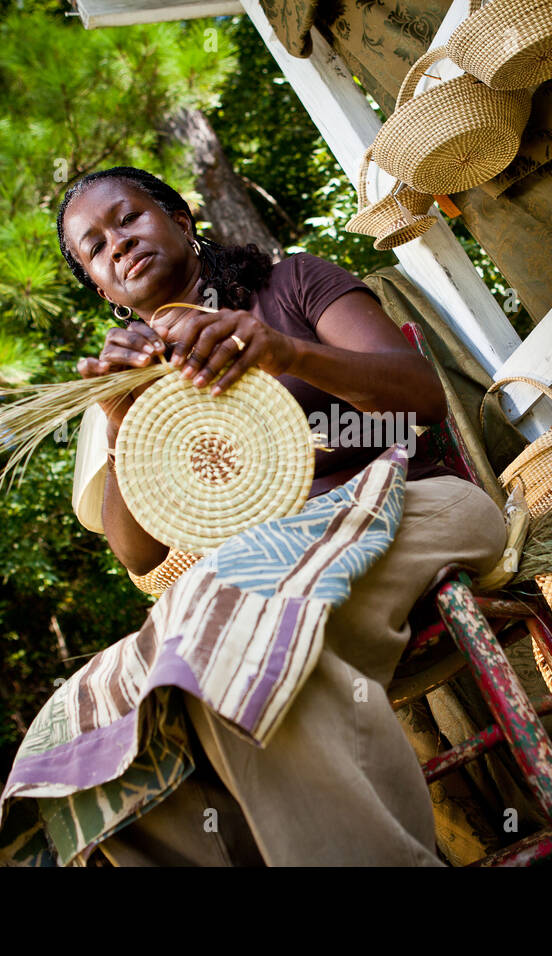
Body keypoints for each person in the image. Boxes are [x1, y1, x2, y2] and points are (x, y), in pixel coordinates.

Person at [56, 166, 507, 866]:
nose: (118, 243)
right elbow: (140, 555)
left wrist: (291, 354)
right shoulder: (135, 385)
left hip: (411, 507)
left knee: (247, 665)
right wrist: (119, 423)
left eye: (130, 219)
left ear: (180, 220)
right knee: (114, 733)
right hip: (267, 581)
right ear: (102, 288)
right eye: (95, 247)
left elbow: (421, 400)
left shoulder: (291, 285)